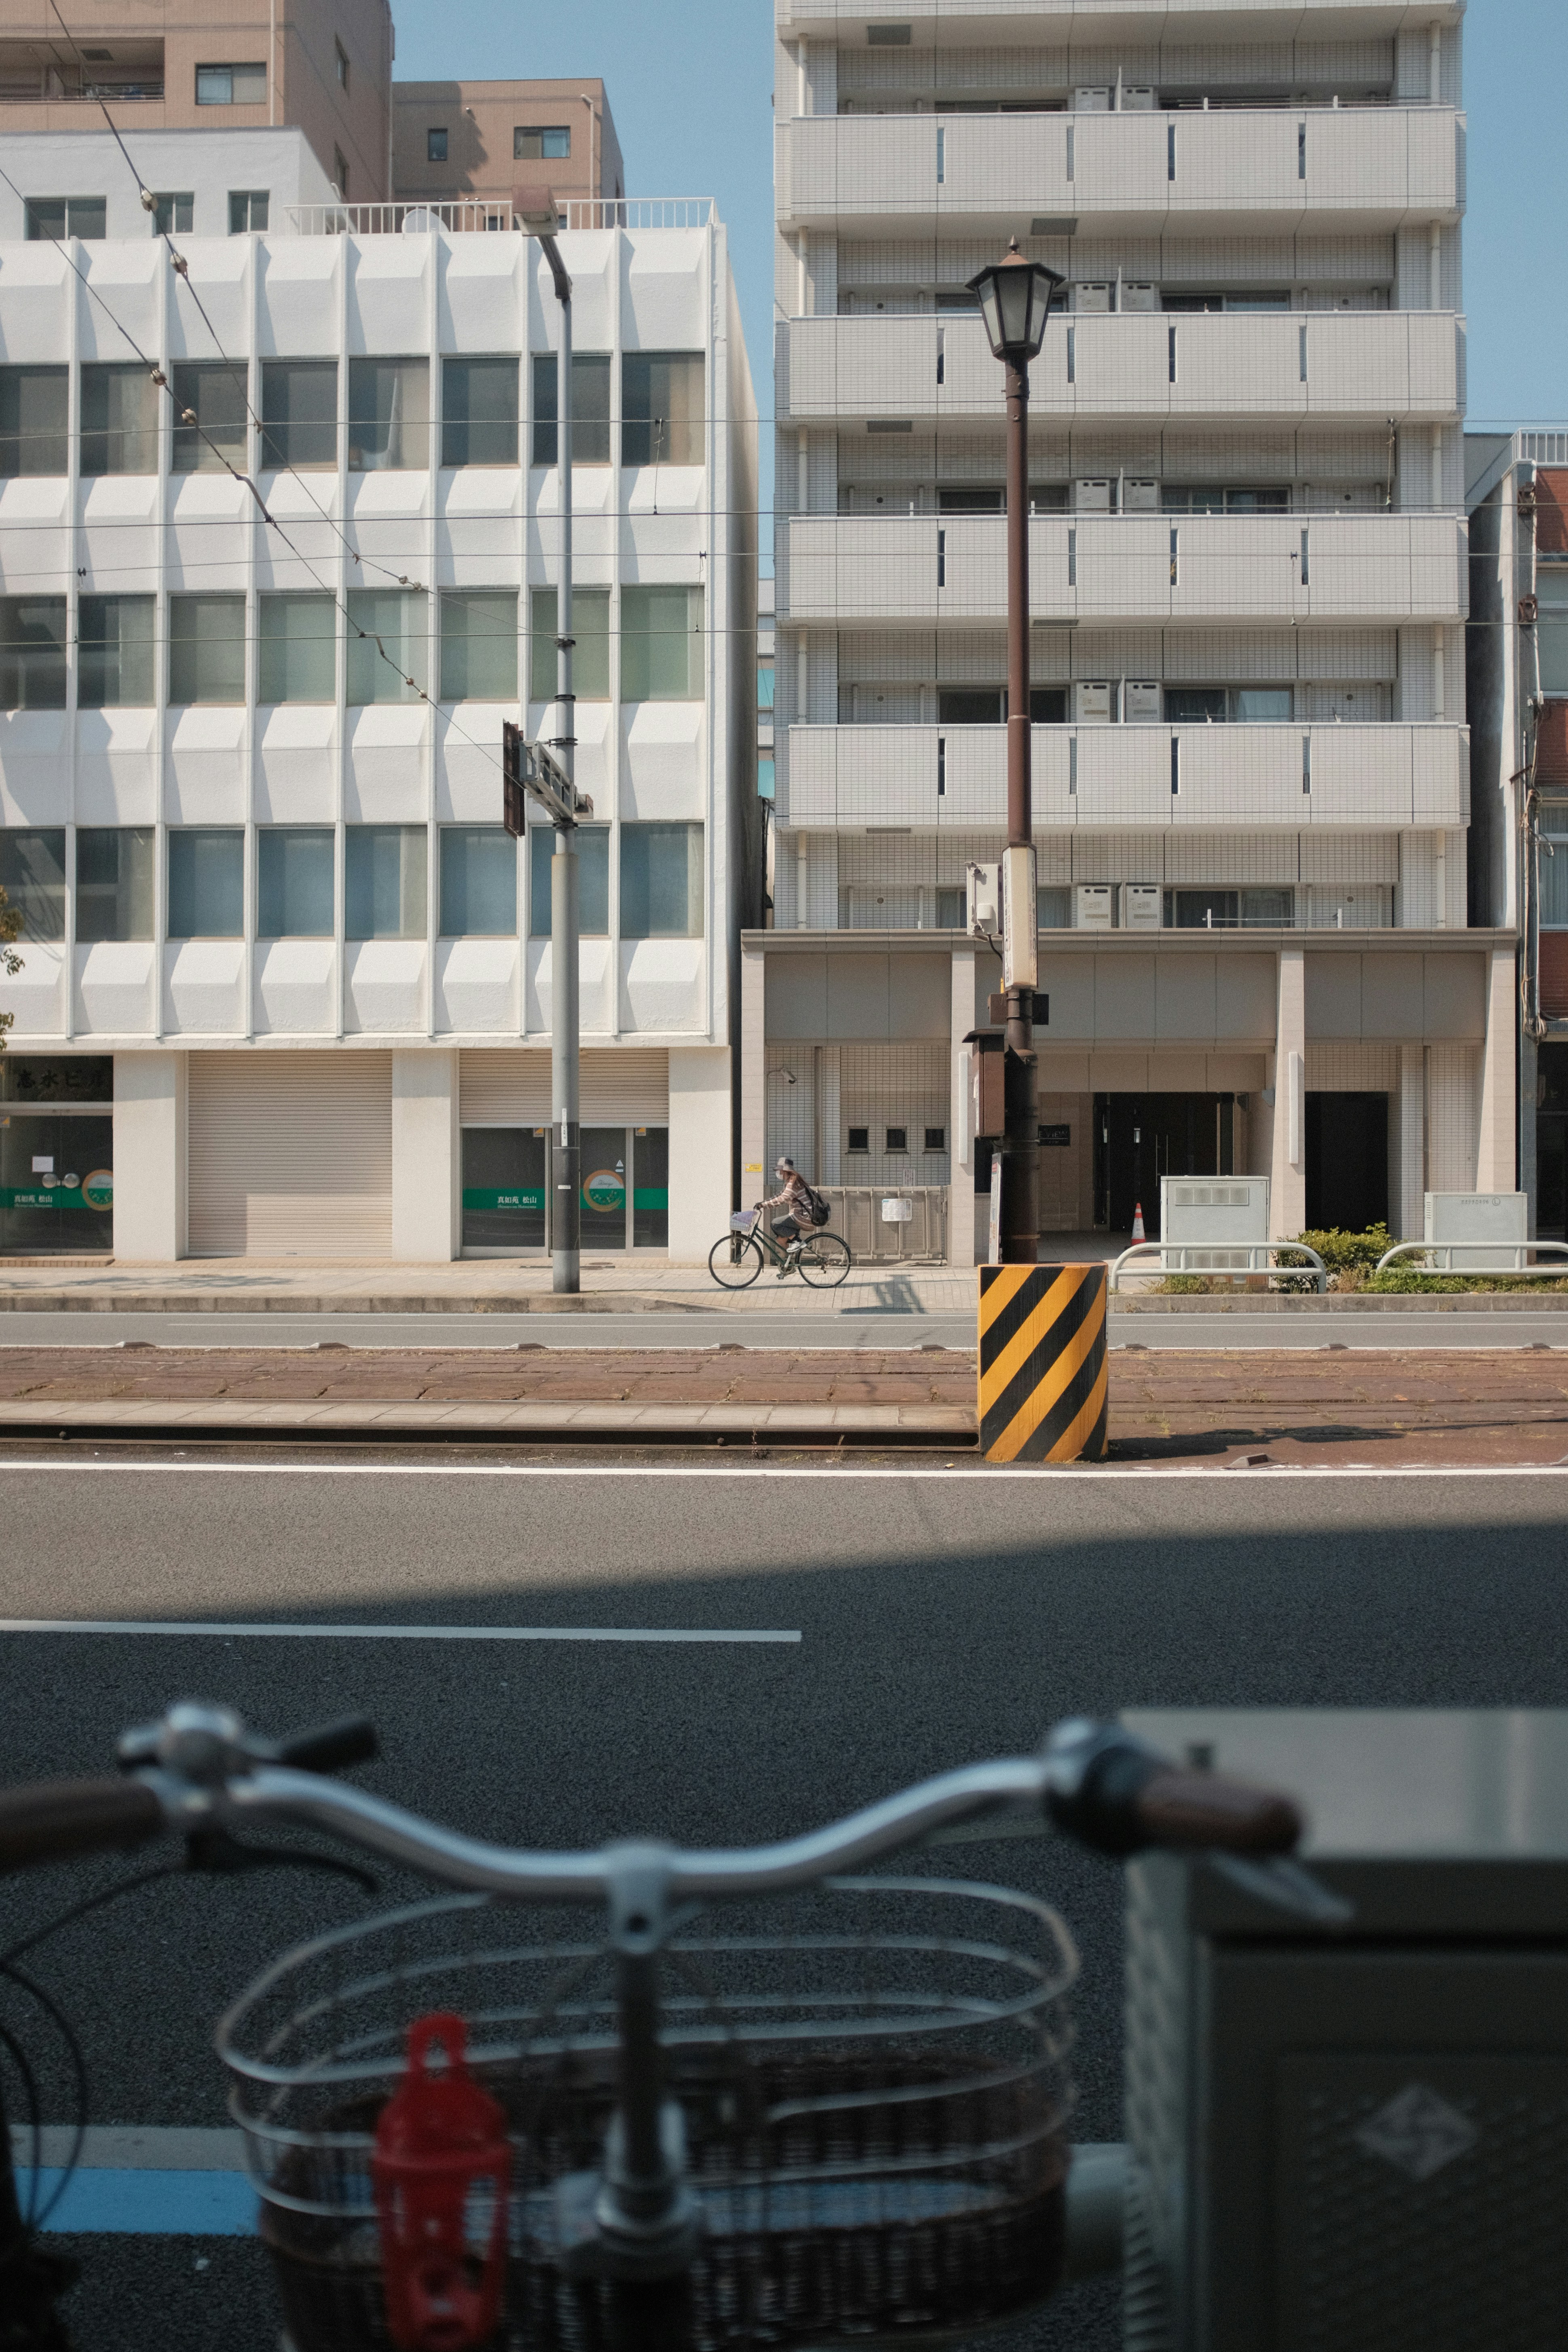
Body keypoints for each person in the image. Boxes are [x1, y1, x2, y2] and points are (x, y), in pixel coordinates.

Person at [758, 1156, 813, 1277]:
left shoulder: (793, 1182)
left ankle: (797, 1241)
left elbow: (783, 1199)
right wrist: (762, 1203)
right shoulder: (790, 1181)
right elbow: (780, 1195)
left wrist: (764, 1205)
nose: (778, 1173)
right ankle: (787, 1267)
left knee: (776, 1223)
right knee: (781, 1240)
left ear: (786, 1170)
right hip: (799, 1215)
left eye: (780, 1170)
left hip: (804, 1217)